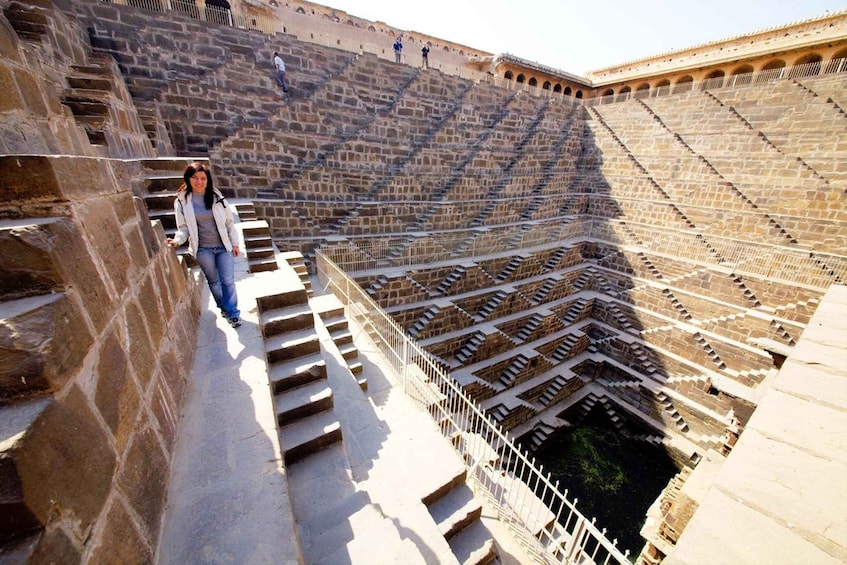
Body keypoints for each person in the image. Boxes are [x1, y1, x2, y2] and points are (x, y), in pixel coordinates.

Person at [167, 163, 242, 328]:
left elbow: (229, 222)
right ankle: (223, 307)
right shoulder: (182, 202)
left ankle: (233, 313)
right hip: (203, 249)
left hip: (223, 246)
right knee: (214, 281)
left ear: (208, 180)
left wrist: (235, 243)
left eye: (202, 178)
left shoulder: (217, 197)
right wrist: (178, 240)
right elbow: (184, 228)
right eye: (195, 178)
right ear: (188, 178)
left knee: (228, 281)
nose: (199, 182)